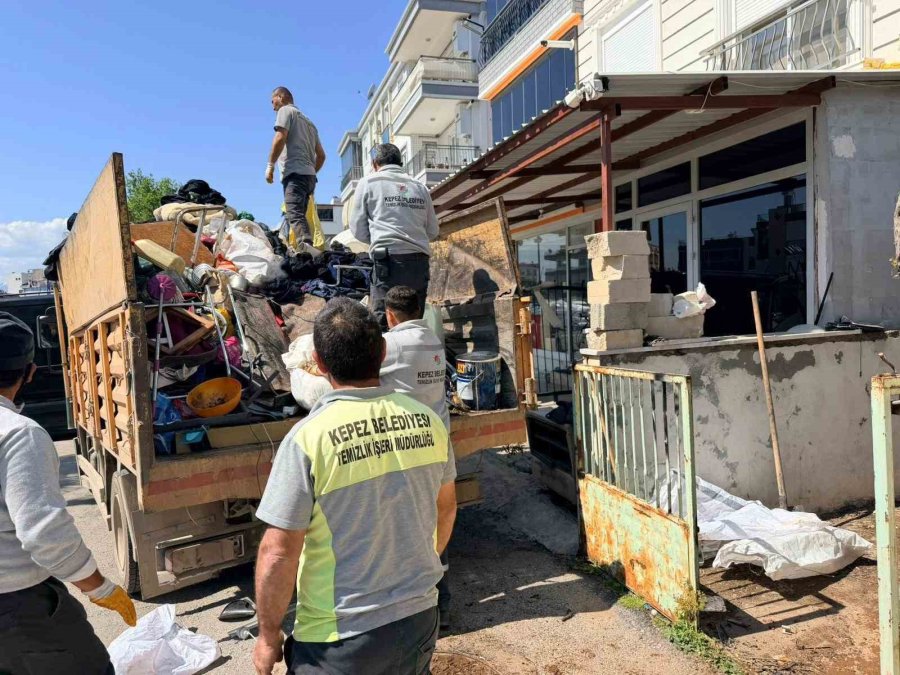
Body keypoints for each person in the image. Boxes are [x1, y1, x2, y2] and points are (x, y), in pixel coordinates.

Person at [252, 298, 457, 675]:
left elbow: (278, 552)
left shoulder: (307, 439)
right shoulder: (429, 422)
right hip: (419, 622)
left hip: (337, 643)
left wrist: (268, 636)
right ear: (383, 352)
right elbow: (446, 509)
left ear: (318, 363)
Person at [0, 312, 137, 675]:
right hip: (18, 609)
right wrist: (99, 587)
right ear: (30, 372)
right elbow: (44, 534)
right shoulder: (17, 433)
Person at [380, 285, 454, 631]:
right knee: (436, 518)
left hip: (409, 444)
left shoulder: (391, 344)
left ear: (389, 315)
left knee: (406, 525)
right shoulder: (433, 341)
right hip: (438, 441)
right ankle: (442, 602)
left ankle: (411, 607)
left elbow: (357, 375)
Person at [349, 143, 439, 327]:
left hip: (387, 263)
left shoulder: (368, 183)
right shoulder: (419, 187)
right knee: (414, 321)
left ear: (375, 164)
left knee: (383, 320)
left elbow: (357, 228)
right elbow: (432, 230)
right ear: (401, 163)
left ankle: (386, 346)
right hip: (418, 263)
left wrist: (379, 239)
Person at [266, 86, 326, 250]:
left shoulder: (285, 111)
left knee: (294, 214)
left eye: (273, 101)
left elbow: (280, 137)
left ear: (281, 97)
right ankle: (306, 250)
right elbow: (321, 156)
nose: (272, 107)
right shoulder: (310, 123)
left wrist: (270, 165)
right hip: (309, 178)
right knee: (300, 215)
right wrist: (310, 171)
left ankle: (306, 249)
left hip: (294, 173)